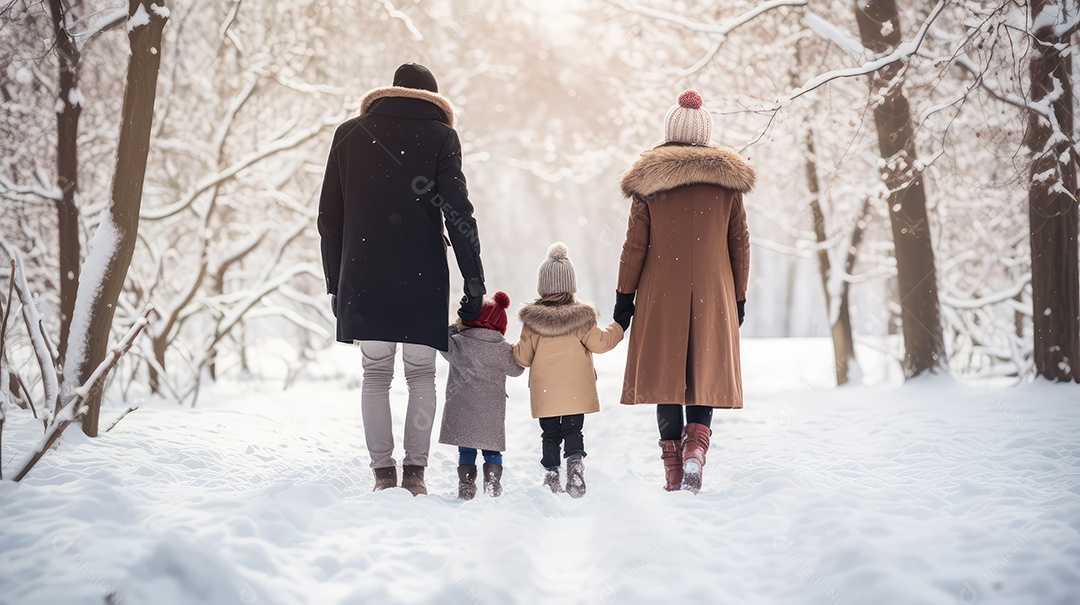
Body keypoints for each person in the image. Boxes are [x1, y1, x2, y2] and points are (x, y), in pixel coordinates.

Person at [318, 63, 486, 496]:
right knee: (421, 374)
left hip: (363, 271)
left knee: (375, 373)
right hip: (421, 273)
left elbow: (329, 218)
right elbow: (458, 213)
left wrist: (335, 282)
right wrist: (474, 280)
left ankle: (382, 475)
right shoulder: (441, 137)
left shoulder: (348, 134)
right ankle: (415, 474)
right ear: (434, 99)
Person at [613, 89, 753, 494]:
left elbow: (634, 246)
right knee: (703, 372)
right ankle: (696, 450)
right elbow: (740, 244)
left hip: (661, 293)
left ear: (669, 132)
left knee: (667, 378)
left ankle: (674, 472)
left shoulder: (650, 182)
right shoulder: (727, 183)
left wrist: (624, 298)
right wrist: (739, 296)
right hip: (715, 290)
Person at [513, 243, 623, 498]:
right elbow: (601, 343)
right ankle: (574, 466)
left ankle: (552, 474)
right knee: (573, 430)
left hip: (546, 391)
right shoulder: (582, 318)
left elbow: (523, 357)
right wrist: (618, 327)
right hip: (576, 390)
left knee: (550, 434)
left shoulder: (532, 322)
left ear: (542, 286)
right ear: (571, 285)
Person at [438, 291, 524, 499]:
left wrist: (455, 327)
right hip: (491, 411)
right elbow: (517, 370)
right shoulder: (502, 349)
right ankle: (493, 483)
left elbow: (441, 340)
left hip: (462, 408)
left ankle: (466, 485)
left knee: (466, 449)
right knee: (492, 449)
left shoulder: (459, 343)